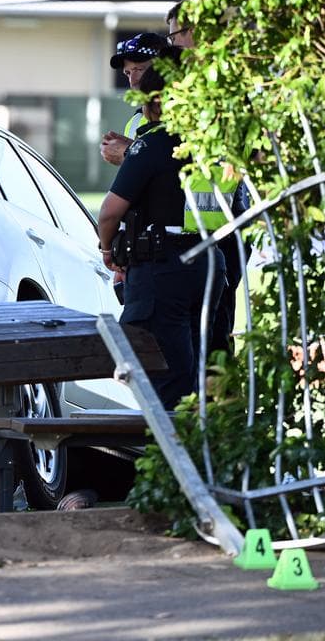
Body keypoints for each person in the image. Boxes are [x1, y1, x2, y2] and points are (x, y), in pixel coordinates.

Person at [98, 61, 225, 409]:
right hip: (208, 261)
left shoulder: (151, 144)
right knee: (194, 366)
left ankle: (171, 457)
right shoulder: (209, 143)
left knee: (164, 374)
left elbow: (109, 212)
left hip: (162, 266)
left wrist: (108, 249)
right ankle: (200, 449)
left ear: (155, 102)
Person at [166, 0, 250, 359]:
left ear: (196, 32)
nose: (172, 47)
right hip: (184, 233)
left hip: (221, 231)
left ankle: (216, 411)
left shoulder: (222, 85)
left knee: (213, 334)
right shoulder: (184, 88)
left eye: (175, 37)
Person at [100, 32, 170, 167]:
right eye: (128, 73)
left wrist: (128, 153)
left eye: (139, 69)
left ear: (163, 69)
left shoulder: (185, 113)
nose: (133, 81)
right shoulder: (135, 122)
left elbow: (172, 168)